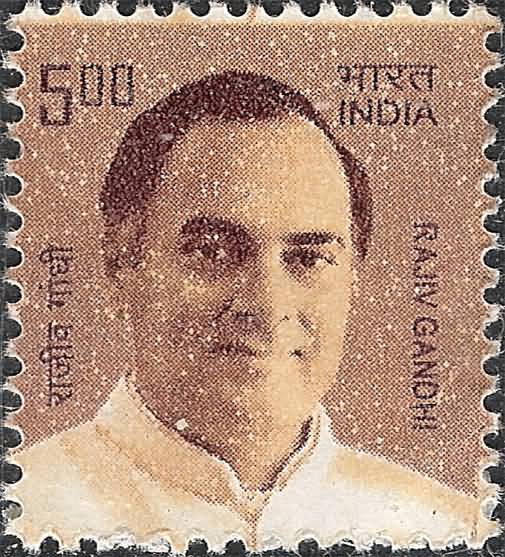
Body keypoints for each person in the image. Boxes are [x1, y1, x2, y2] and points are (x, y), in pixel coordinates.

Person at [12, 71, 488, 551]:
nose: (266, 305)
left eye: (308, 259)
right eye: (212, 251)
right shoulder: (26, 517)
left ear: (352, 282)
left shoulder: (450, 531)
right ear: (121, 264)